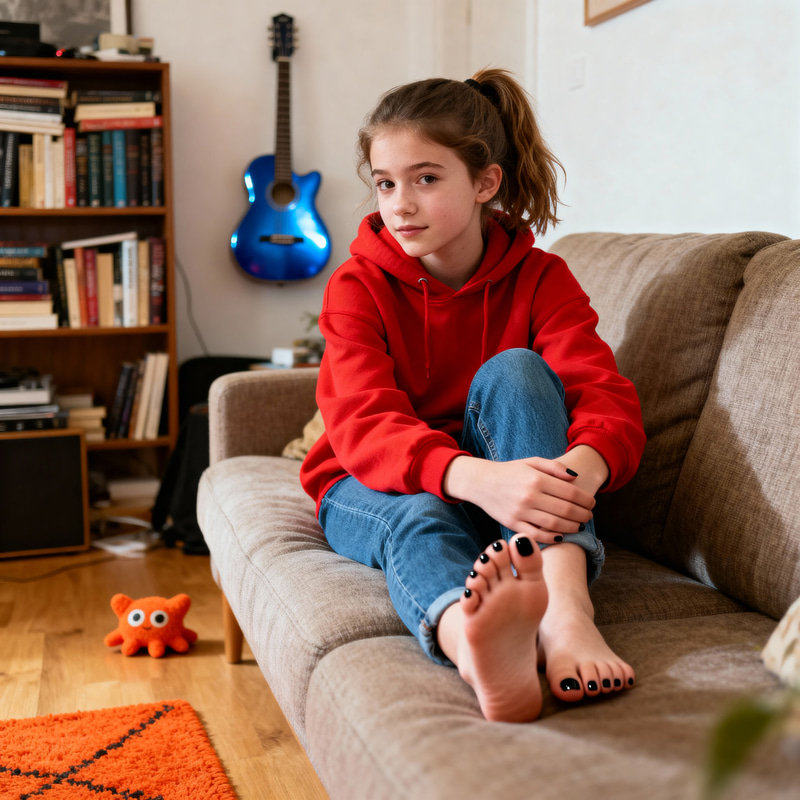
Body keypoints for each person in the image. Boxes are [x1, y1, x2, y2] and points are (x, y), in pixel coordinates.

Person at [300, 68, 646, 723]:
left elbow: (605, 399)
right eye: (385, 183)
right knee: (416, 517)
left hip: (508, 488)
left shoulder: (543, 278)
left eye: (426, 179)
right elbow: (363, 422)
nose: (399, 204)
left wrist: (574, 474)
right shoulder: (356, 286)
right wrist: (472, 479)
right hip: (368, 478)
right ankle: (473, 644)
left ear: (485, 182)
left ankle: (567, 616)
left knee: (517, 370)